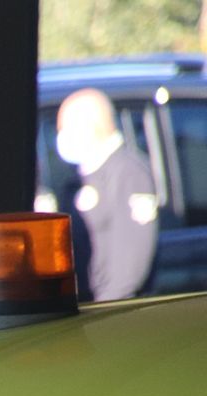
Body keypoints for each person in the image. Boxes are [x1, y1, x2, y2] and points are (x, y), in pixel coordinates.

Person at [54, 88, 159, 302]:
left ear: (92, 126)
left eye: (66, 128)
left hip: (111, 312)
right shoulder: (79, 178)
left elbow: (130, 260)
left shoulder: (128, 172)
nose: (62, 137)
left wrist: (106, 310)